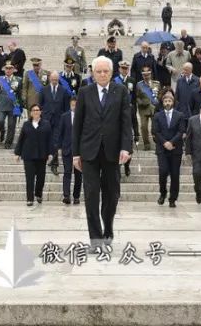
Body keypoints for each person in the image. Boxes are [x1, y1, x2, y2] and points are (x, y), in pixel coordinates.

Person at [72, 55, 133, 252]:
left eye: (106, 71)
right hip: (89, 152)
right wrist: (75, 153)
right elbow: (77, 125)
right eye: (98, 71)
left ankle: (108, 231)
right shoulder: (84, 92)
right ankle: (96, 239)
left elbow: (126, 122)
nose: (102, 74)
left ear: (111, 72)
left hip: (112, 151)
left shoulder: (121, 91)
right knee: (90, 195)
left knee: (112, 194)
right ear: (93, 73)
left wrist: (126, 147)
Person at [15, 103, 53, 206]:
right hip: (28, 155)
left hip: (42, 155)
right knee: (29, 178)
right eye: (34, 110)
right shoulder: (26, 124)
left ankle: (38, 193)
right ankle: (30, 198)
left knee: (41, 177)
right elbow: (21, 139)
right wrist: (17, 153)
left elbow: (50, 140)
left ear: (40, 112)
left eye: (37, 110)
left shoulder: (46, 124)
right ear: (31, 113)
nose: (36, 112)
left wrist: (50, 153)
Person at [40, 69, 70, 175]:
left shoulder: (64, 91)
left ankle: (54, 165)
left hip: (59, 121)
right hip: (46, 120)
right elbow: (40, 105)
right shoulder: (44, 90)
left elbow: (67, 109)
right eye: (52, 79)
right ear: (49, 79)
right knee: (47, 142)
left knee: (56, 143)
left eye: (56, 80)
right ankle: (48, 159)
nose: (54, 81)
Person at [56, 96, 82, 205]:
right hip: (67, 149)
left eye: (76, 105)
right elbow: (60, 133)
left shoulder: (83, 117)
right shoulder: (64, 116)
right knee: (67, 172)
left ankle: (76, 196)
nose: (74, 107)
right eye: (72, 105)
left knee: (78, 175)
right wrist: (58, 147)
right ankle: (66, 196)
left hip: (80, 151)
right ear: (70, 105)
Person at [0, 62, 23, 148]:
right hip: (1, 105)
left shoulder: (18, 79)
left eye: (10, 68)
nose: (8, 70)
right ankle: (2, 131)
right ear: (4, 70)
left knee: (11, 125)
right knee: (0, 121)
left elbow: (20, 94)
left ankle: (8, 142)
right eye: (6, 68)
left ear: (13, 70)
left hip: (13, 106)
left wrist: (20, 107)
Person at [134, 65, 159, 150]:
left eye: (148, 74)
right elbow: (136, 96)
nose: (146, 76)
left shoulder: (156, 84)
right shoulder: (139, 85)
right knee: (144, 127)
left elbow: (159, 95)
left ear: (150, 74)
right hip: (143, 108)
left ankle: (156, 140)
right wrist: (140, 102)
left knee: (155, 127)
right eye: (144, 75)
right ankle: (146, 144)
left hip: (154, 108)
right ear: (142, 75)